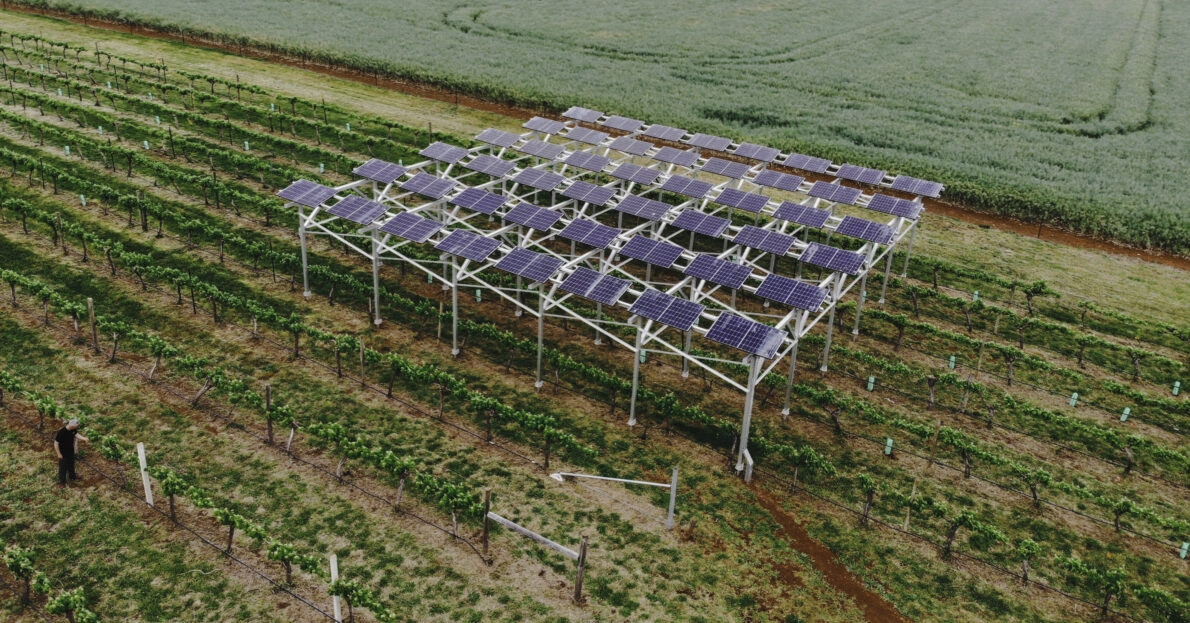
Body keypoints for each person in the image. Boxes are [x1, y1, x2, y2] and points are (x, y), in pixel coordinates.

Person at [54, 419, 89, 487]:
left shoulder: (73, 430)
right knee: (63, 468)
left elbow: (76, 434)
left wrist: (84, 438)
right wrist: (59, 454)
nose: (77, 428)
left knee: (71, 465)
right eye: (76, 426)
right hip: (63, 453)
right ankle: (62, 482)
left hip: (70, 451)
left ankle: (72, 476)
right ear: (72, 426)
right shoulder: (62, 432)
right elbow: (56, 443)